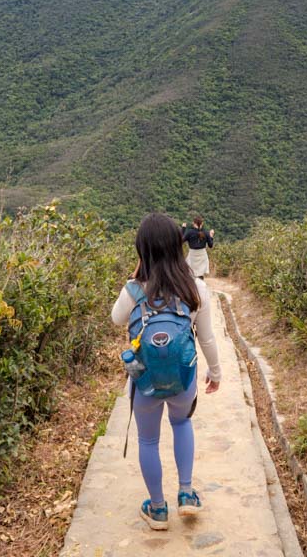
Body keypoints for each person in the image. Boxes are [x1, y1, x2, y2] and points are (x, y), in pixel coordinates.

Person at [111, 213, 223, 530]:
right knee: (182, 423)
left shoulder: (133, 290)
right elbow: (207, 338)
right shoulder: (195, 288)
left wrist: (135, 277)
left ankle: (158, 509)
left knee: (148, 440)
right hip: (183, 379)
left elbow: (116, 319)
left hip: (144, 379)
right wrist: (215, 372)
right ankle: (186, 494)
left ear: (142, 251)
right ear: (177, 246)